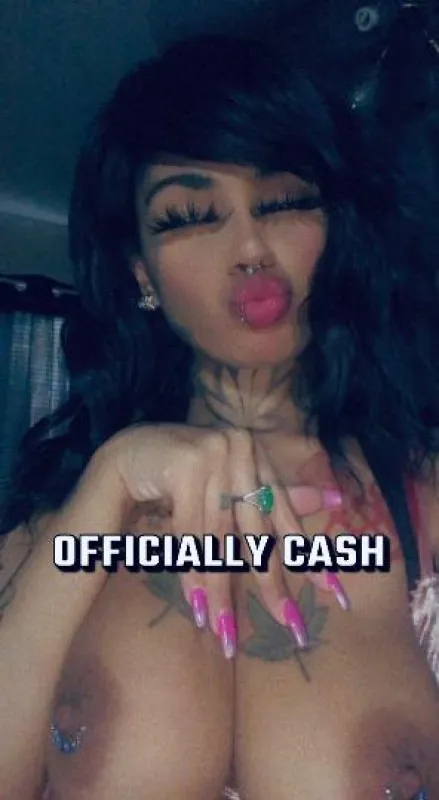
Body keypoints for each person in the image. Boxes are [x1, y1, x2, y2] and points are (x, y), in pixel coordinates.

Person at [0, 33, 438, 800]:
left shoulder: (422, 499)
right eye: (190, 215)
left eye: (284, 202)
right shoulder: (55, 530)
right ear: (140, 271)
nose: (250, 247)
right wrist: (108, 483)